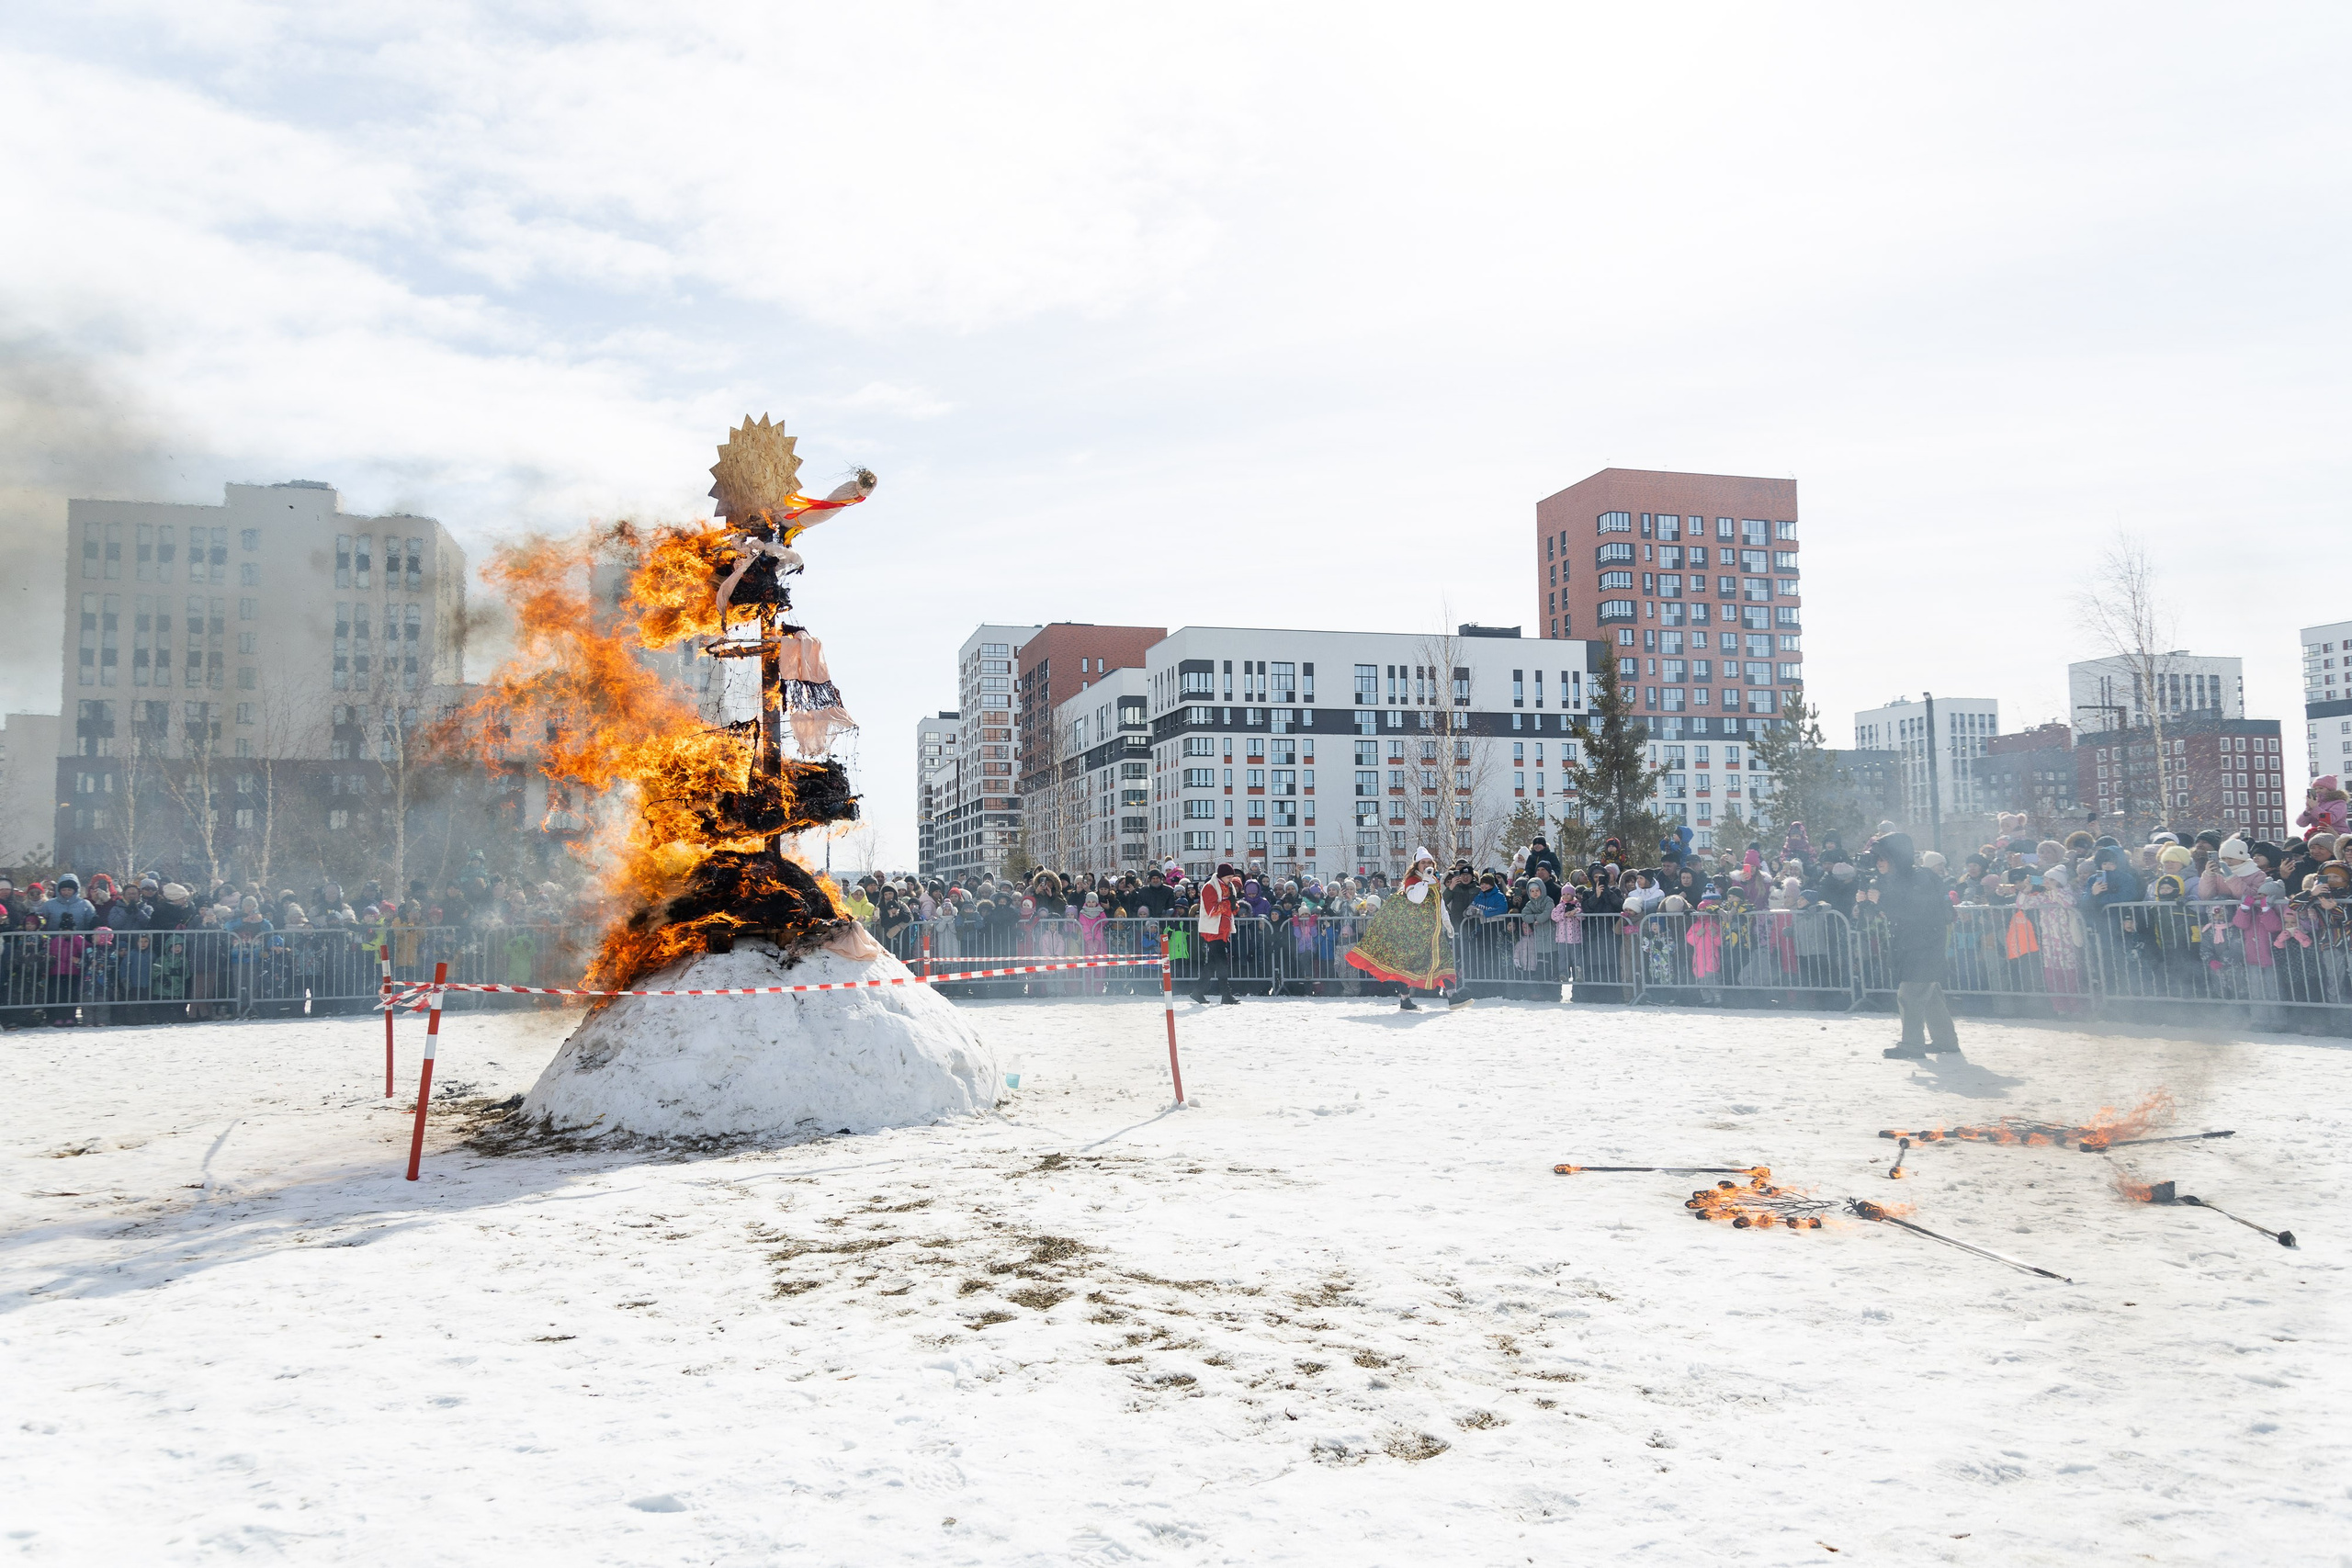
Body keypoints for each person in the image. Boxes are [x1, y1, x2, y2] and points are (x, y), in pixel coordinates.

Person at [1343, 847, 1464, 1010]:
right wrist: (1425, 880)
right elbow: (1416, 898)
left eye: (1429, 862)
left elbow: (1439, 903)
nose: (1427, 865)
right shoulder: (1412, 881)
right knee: (1408, 966)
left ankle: (1453, 997)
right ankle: (1405, 999)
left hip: (1433, 933)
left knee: (1444, 961)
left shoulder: (1434, 880)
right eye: (1423, 862)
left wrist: (1447, 922)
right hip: (1414, 933)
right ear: (1417, 865)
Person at [1875, 832, 1959, 1058]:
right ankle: (1946, 1041)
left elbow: (1914, 912)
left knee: (1910, 995)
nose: (1878, 863)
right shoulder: (1906, 878)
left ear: (1895, 857)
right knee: (1930, 995)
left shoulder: (1918, 878)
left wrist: (1880, 900)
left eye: (1883, 857)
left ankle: (1911, 1045)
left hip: (1923, 945)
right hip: (1917, 945)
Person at [1193, 862, 1240, 1005]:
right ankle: (1226, 995)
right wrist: (1229, 904)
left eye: (1232, 877)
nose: (1231, 880)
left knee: (1213, 964)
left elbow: (1232, 909)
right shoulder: (1209, 887)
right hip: (1213, 930)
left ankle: (1198, 991)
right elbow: (1211, 910)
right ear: (1221, 876)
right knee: (1221, 963)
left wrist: (1234, 905)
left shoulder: (1229, 887)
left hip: (1223, 930)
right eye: (1228, 877)